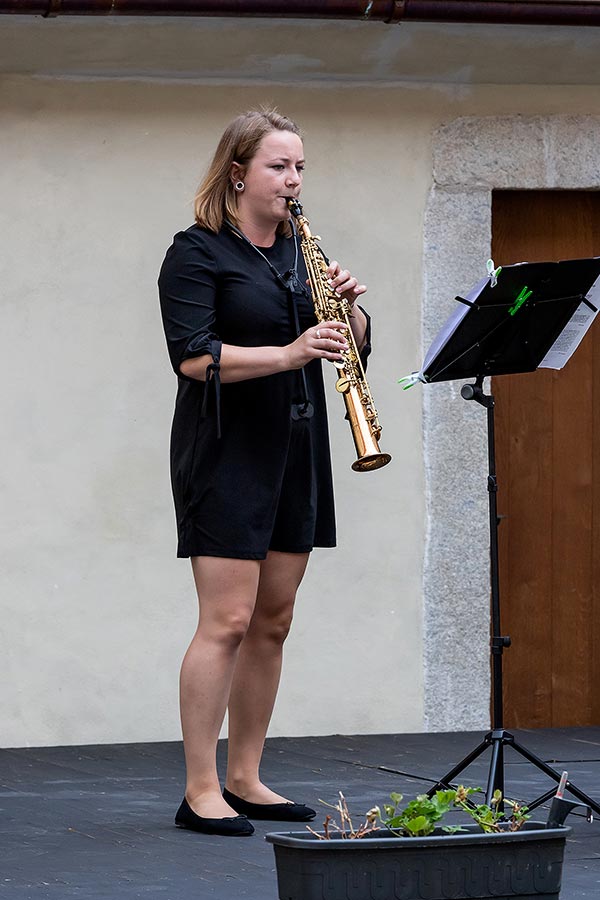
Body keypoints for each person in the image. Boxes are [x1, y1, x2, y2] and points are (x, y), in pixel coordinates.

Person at [158, 108, 370, 837]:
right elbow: (192, 356)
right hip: (226, 449)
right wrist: (286, 353)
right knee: (228, 620)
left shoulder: (300, 250)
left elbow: (342, 348)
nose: (294, 180)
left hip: (297, 446)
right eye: (280, 166)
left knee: (273, 622)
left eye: (301, 167)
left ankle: (246, 777)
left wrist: (351, 315)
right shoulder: (196, 253)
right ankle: (200, 788)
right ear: (239, 170)